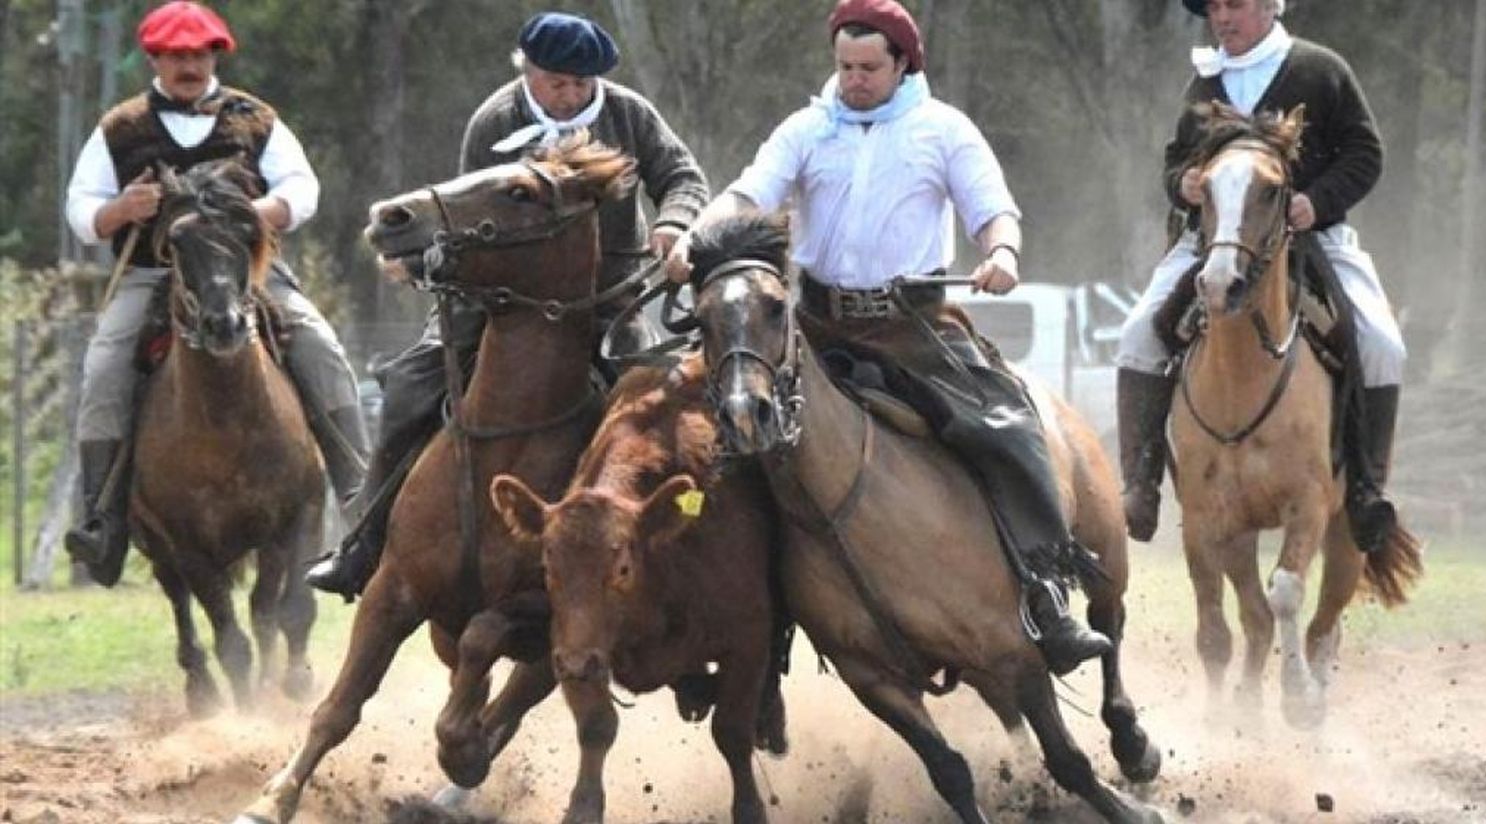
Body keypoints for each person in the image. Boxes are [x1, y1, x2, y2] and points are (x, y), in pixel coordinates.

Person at [665, 0, 1111, 675]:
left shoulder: (944, 130)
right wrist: (698, 237)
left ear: (904, 63)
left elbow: (994, 211)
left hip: (916, 329)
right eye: (844, 65)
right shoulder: (807, 129)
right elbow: (749, 193)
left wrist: (1003, 255)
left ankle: (1046, 593)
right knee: (721, 441)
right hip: (810, 333)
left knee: (1009, 427)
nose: (854, 78)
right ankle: (736, 641)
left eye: (869, 66)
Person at [307, 11, 710, 598]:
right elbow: (466, 218)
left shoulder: (628, 112)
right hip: (499, 295)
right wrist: (424, 263)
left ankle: (668, 569)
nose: (571, 95)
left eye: (582, 83)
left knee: (648, 401)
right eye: (557, 82)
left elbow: (683, 176)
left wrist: (675, 222)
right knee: (413, 387)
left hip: (607, 291)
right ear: (527, 70)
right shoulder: (495, 119)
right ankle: (362, 545)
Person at [63, 0, 370, 587]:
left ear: (214, 57)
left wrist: (254, 213)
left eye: (200, 54)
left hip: (247, 269)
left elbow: (302, 187)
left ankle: (362, 498)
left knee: (322, 349)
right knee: (104, 366)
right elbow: (81, 210)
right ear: (155, 58)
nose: (190, 66)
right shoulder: (121, 127)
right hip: (154, 272)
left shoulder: (254, 119)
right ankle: (101, 520)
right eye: (178, 56)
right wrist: (121, 209)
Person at [1114, 0, 1403, 551]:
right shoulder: (1204, 82)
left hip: (1311, 236)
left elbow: (1366, 153)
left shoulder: (1320, 69)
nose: (1223, 17)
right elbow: (1175, 161)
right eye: (1216, 7)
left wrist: (1316, 202)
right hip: (1217, 243)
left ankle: (1366, 486)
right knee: (1136, 336)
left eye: (1237, 4)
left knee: (1383, 343)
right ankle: (1142, 482)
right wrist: (1186, 186)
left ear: (1271, 5)